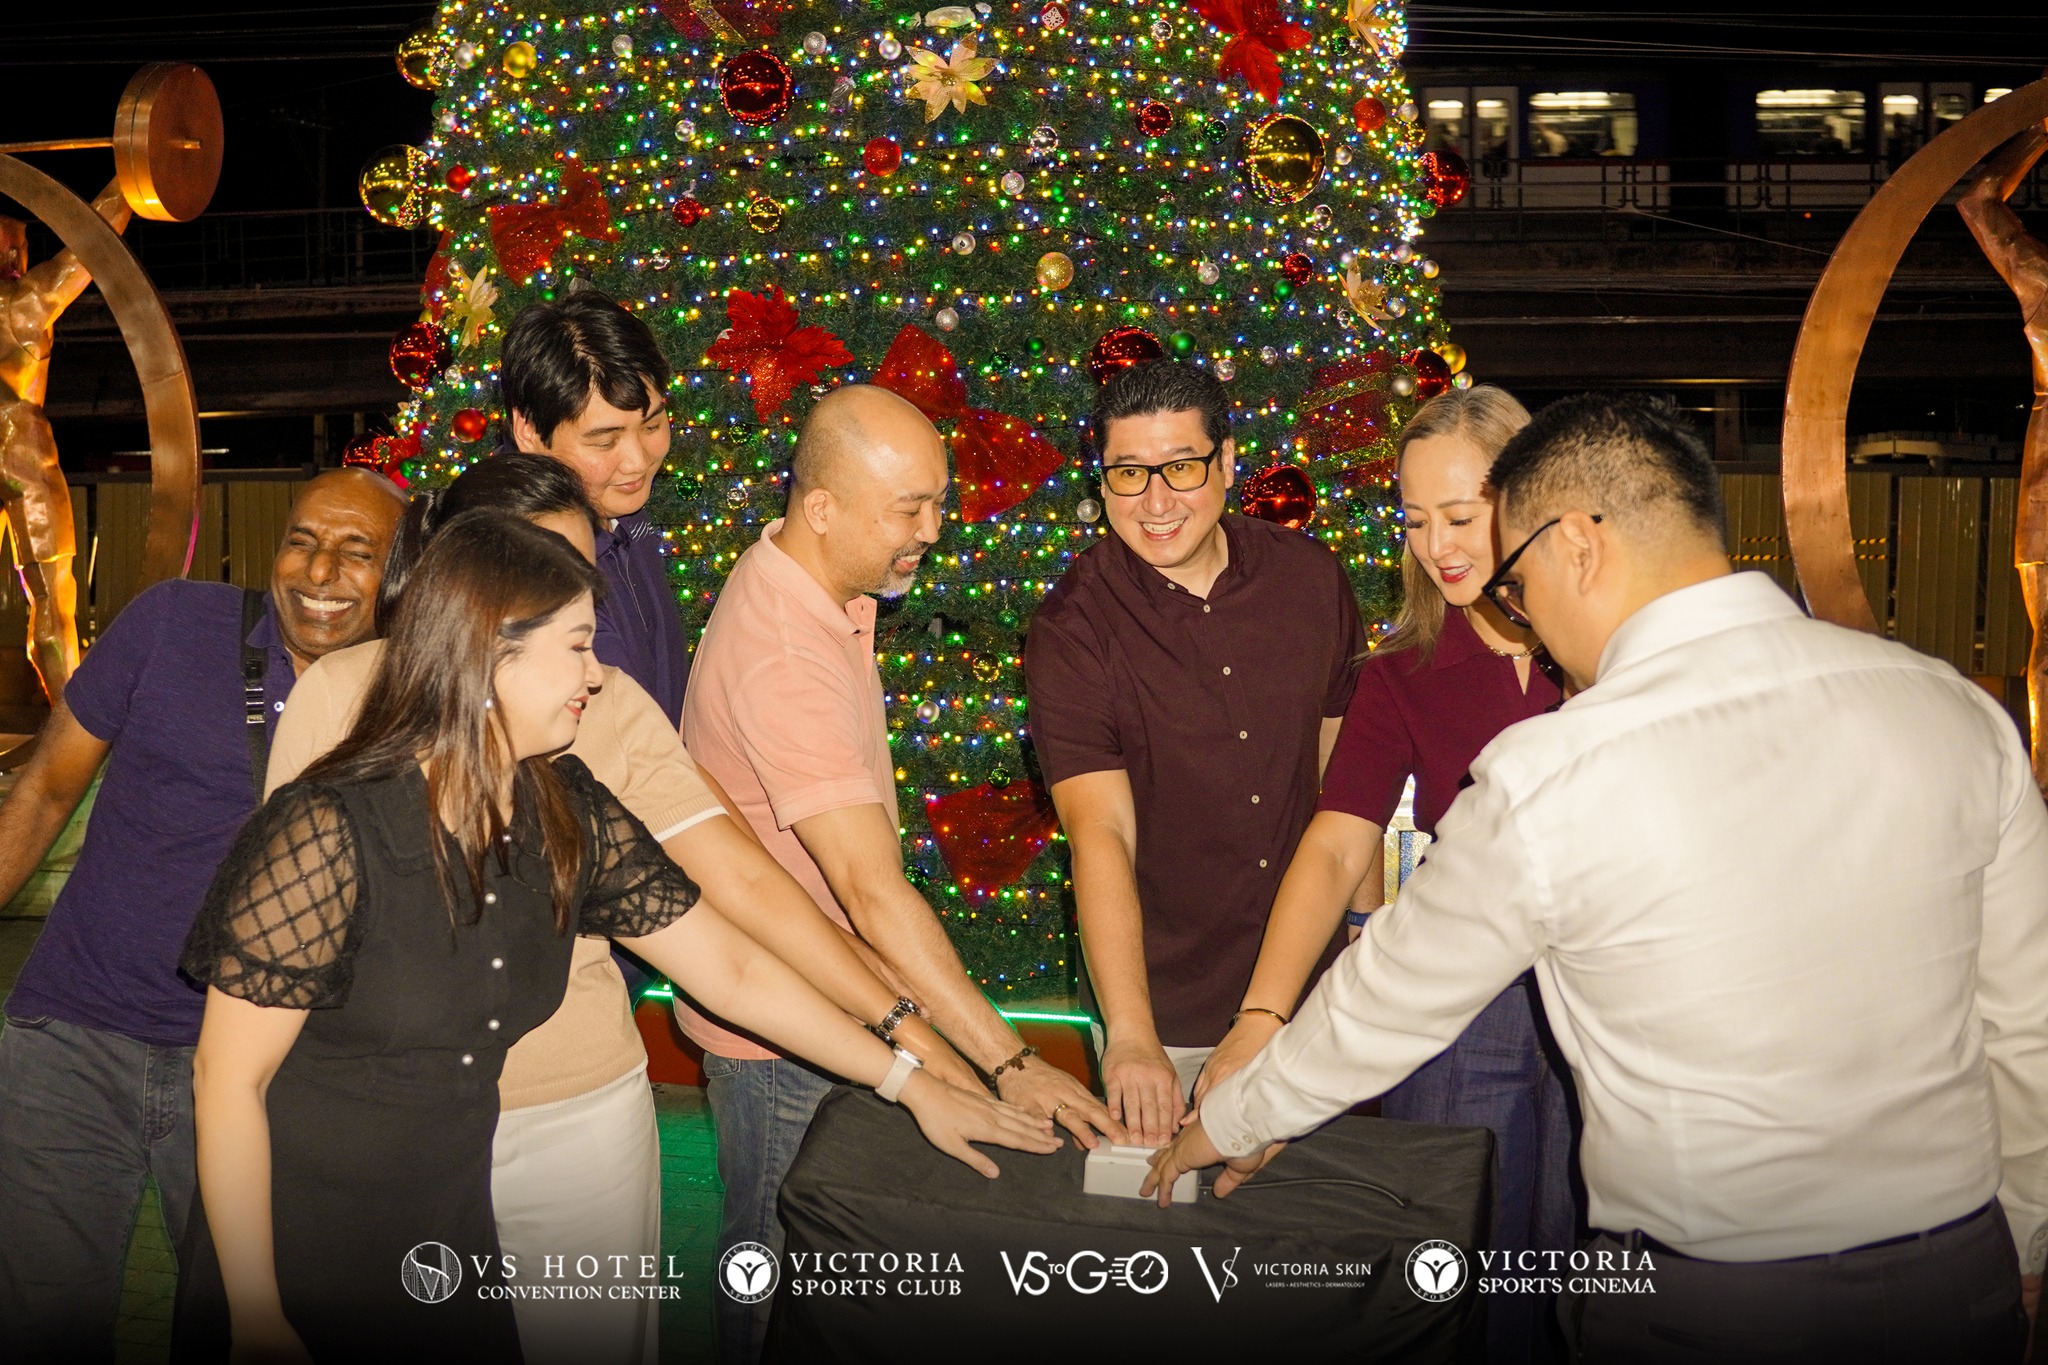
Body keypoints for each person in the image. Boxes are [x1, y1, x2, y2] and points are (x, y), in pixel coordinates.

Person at [1149, 394, 2048, 1360]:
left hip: (1713, 1304)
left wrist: (1231, 1118)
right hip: (1960, 1278)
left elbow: (1390, 996)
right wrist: (2028, 1232)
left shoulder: (1558, 768)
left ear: (1577, 545)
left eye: (1519, 577)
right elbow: (2027, 1019)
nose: (1520, 609)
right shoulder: (1956, 711)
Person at [172, 512, 1057, 1364]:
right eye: (576, 647)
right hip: (299, 1242)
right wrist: (255, 1313)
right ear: (487, 655)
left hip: (445, 1230)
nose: (595, 675)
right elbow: (229, 1077)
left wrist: (909, 1080)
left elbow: (734, 969)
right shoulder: (328, 827)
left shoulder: (564, 809)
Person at [684, 384, 1120, 1365]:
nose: (932, 530)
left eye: (938, 502)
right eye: (908, 509)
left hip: (838, 1000)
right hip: (781, 1037)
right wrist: (1006, 1063)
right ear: (821, 506)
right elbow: (871, 892)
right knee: (774, 1277)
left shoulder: (818, 578)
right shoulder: (785, 653)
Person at [1195, 384, 1574, 1362]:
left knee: (1582, 1282)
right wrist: (1262, 1018)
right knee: (1453, 1277)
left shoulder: (1607, 655)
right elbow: (1334, 846)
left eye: (1460, 516)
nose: (1435, 546)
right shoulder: (1399, 672)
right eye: (1412, 520)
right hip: (1464, 994)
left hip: (1605, 981)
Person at [0, 469, 405, 1360]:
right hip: (72, 1043)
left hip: (258, 1076)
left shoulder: (406, 696)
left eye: (357, 552)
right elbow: (43, 790)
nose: (319, 572)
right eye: (301, 541)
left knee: (239, 1329)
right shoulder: (171, 622)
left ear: (403, 573)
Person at [1023, 359, 1368, 1146]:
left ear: (1227, 461)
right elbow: (1100, 834)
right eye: (1129, 473)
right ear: (1101, 478)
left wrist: (1361, 929)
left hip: (1317, 993)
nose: (1156, 501)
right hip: (1166, 1015)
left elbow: (1343, 781)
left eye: (1180, 466)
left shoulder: (1310, 578)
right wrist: (1132, 1034)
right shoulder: (1072, 628)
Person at [501, 288, 690, 725]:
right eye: (604, 441)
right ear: (530, 431)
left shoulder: (620, 508)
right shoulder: (529, 565)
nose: (637, 461)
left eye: (652, 426)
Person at [0, 180, 130, 700]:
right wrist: (129, 180)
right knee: (54, 600)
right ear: (12, 252)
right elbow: (90, 240)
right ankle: (68, 726)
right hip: (21, 447)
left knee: (54, 600)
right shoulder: (25, 302)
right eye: (20, 247)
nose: (23, 256)